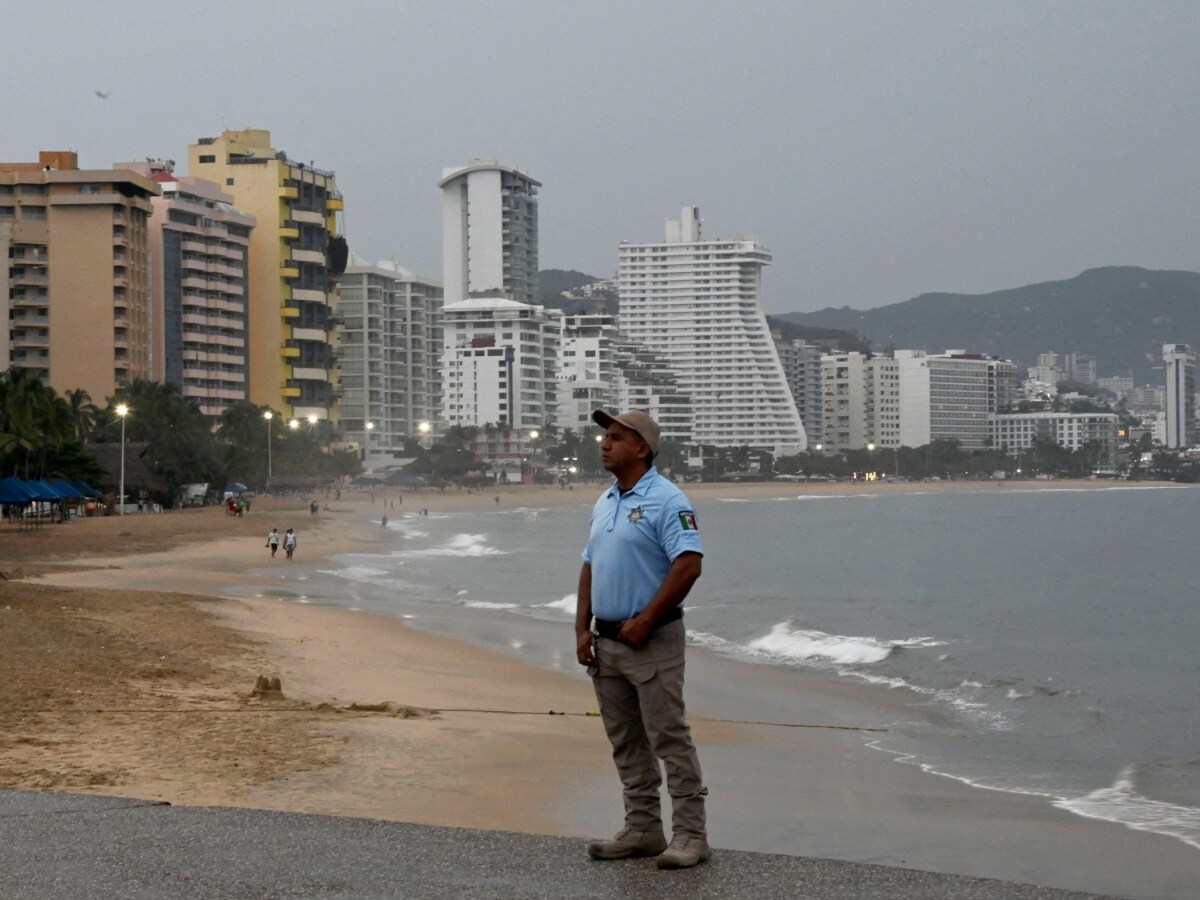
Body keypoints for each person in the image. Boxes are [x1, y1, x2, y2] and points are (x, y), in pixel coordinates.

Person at [575, 409, 709, 870]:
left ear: (642, 448)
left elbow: (689, 564)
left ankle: (691, 834)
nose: (604, 444)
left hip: (652, 641)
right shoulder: (605, 500)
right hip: (607, 642)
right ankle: (643, 829)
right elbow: (590, 565)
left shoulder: (669, 500)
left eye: (615, 437)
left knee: (669, 738)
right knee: (626, 741)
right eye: (605, 437)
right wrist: (581, 628)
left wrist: (646, 620)